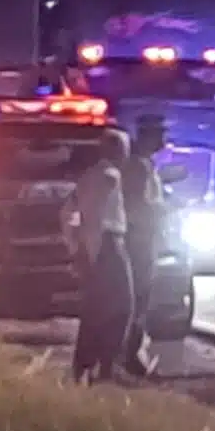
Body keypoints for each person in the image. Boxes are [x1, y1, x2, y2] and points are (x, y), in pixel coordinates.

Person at [62, 129, 136, 385]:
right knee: (121, 305)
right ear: (117, 151)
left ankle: (85, 365)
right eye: (124, 149)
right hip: (109, 245)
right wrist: (92, 246)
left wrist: (76, 245)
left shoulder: (89, 177)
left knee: (96, 307)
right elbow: (97, 219)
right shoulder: (109, 177)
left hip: (97, 246)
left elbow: (69, 213)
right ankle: (106, 365)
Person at [120, 115, 167, 377]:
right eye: (160, 134)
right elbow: (138, 203)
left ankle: (130, 352)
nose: (164, 140)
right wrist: (165, 210)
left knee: (140, 298)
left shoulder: (145, 164)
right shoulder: (137, 167)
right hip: (139, 239)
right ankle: (129, 355)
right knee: (138, 298)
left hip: (145, 236)